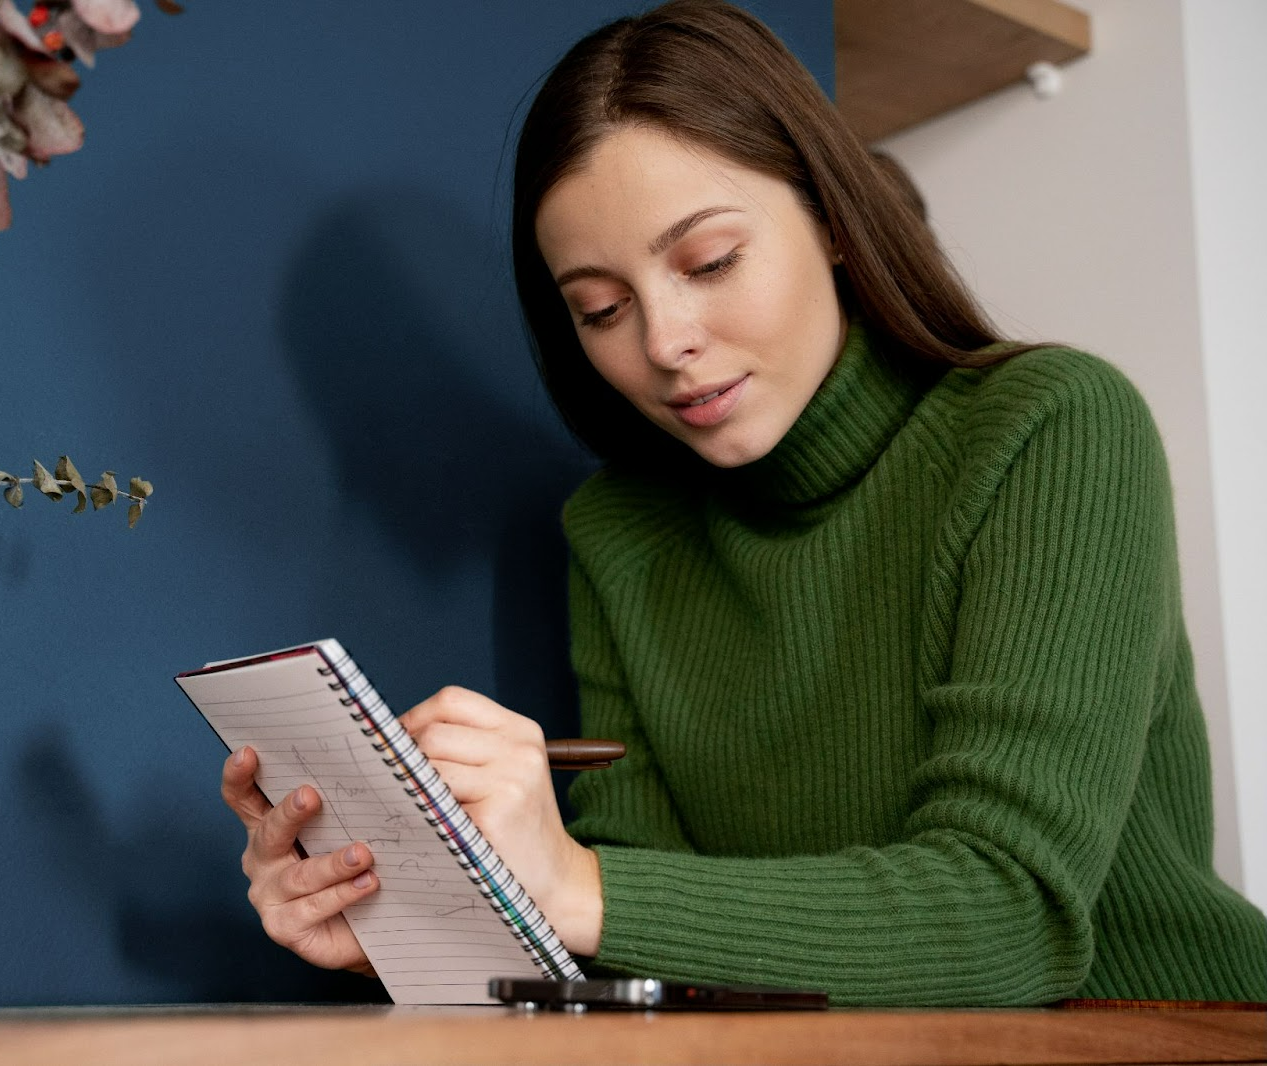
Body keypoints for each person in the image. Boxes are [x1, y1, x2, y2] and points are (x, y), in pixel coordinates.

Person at [221, 0, 1266, 1005]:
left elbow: (1009, 917)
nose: (663, 342)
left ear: (834, 220)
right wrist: (415, 923)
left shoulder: (1050, 428)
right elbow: (654, 933)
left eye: (709, 261)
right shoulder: (620, 530)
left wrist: (574, 879)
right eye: (601, 307)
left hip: (1166, 1030)